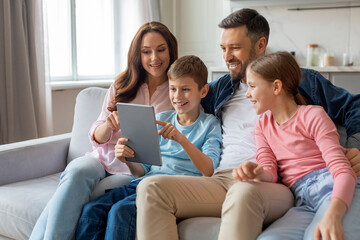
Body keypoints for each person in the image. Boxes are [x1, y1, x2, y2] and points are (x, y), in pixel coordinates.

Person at [136, 8, 360, 240]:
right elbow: (181, 98)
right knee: (151, 188)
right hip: (220, 178)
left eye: (235, 48)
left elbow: (355, 107)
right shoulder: (217, 90)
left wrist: (356, 148)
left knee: (243, 192)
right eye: (223, 49)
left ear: (261, 45)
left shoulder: (300, 80)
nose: (227, 56)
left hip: (268, 183)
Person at [29, 21, 178, 240]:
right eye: (146, 52)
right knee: (76, 173)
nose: (154, 58)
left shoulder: (177, 90)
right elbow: (96, 136)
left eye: (161, 50)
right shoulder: (122, 84)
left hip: (133, 169)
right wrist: (109, 124)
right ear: (138, 54)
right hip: (100, 158)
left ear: (171, 50)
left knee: (96, 194)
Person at [74, 55, 222, 240]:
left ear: (203, 91)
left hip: (172, 189)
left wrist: (181, 139)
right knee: (92, 211)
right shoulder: (163, 117)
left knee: (121, 211)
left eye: (185, 89)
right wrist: (126, 160)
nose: (177, 96)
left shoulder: (210, 124)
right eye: (173, 89)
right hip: (143, 183)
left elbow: (208, 169)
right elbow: (142, 171)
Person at [233, 51, 359, 240]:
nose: (248, 94)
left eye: (252, 86)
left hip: (337, 189)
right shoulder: (262, 126)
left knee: (320, 235)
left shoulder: (313, 115)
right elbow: (270, 171)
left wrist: (333, 215)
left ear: (276, 87)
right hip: (302, 201)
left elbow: (342, 171)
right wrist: (256, 172)